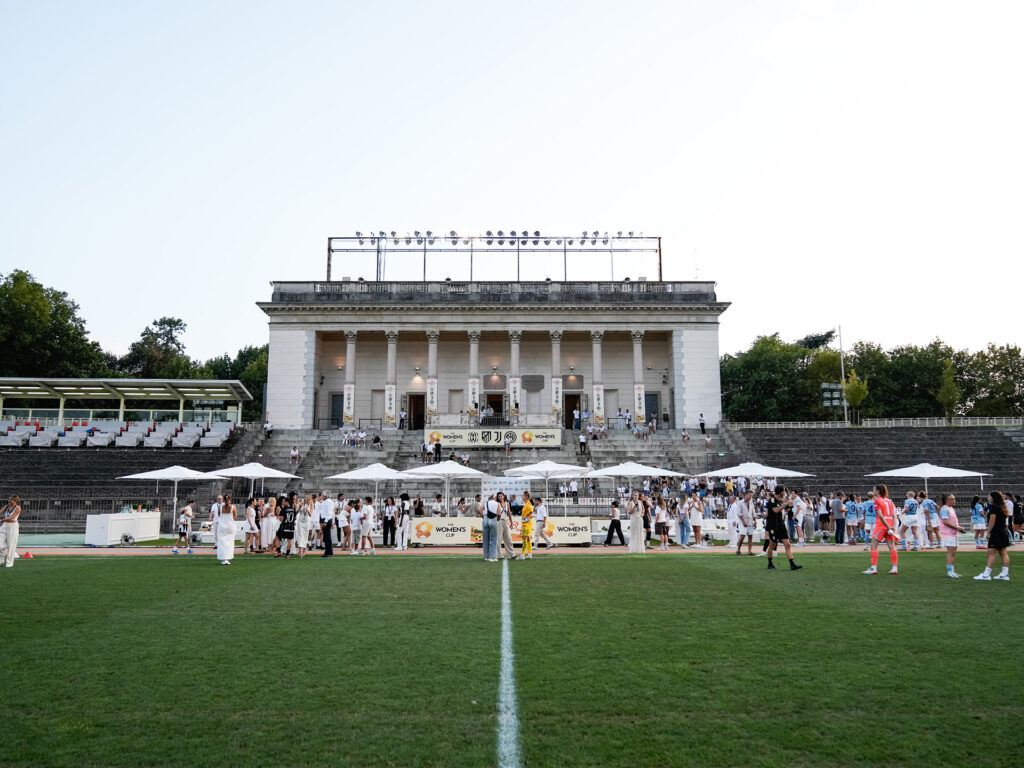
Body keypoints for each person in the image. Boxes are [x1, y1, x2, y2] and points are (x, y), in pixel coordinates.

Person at [863, 484, 899, 575]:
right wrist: (893, 527)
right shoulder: (889, 501)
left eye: (874, 489)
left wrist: (887, 526)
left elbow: (880, 516)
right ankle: (894, 568)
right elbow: (894, 515)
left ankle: (873, 568)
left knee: (873, 546)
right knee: (892, 546)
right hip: (890, 525)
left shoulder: (877, 501)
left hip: (881, 526)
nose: (873, 491)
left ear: (878, 491)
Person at [975, 491, 1012, 581]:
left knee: (991, 553)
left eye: (989, 496)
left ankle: (986, 575)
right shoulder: (1001, 507)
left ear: (993, 498)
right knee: (1003, 552)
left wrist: (988, 532)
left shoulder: (993, 507)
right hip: (1003, 532)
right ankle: (1005, 574)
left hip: (996, 532)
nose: (988, 497)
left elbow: (992, 521)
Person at [764, 487, 802, 571]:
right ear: (781, 492)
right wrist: (786, 504)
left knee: (787, 544)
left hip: (781, 525)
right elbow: (776, 510)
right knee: (772, 545)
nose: (785, 492)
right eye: (784, 491)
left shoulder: (779, 500)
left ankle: (792, 564)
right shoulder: (772, 500)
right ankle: (770, 563)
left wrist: (788, 504)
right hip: (773, 526)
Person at [937, 493, 965, 578]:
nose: (954, 501)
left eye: (954, 499)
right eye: (952, 499)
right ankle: (950, 572)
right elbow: (945, 522)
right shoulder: (945, 509)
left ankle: (952, 571)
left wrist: (957, 528)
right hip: (948, 533)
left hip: (953, 533)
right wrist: (957, 528)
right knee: (951, 552)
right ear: (946, 500)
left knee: (953, 552)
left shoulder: (951, 508)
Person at [0, 495, 22, 568]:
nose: (10, 501)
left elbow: (12, 517)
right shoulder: (7, 506)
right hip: (4, 525)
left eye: (12, 500)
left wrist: (2, 520)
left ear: (16, 501)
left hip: (13, 526)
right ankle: (1, 559)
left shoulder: (18, 508)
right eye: (10, 499)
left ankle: (9, 563)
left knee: (11, 545)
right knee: (0, 544)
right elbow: (0, 512)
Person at [215, 494, 237, 565]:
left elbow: (219, 515)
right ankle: (227, 558)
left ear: (223, 500)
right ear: (230, 500)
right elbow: (235, 517)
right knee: (230, 542)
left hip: (222, 526)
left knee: (222, 542)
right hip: (230, 526)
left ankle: (224, 558)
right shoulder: (233, 507)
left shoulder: (220, 507)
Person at [735, 490, 756, 556]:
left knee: (750, 536)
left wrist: (755, 522)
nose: (750, 497)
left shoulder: (751, 503)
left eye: (751, 496)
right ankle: (738, 550)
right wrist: (743, 522)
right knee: (742, 535)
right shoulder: (740, 502)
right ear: (745, 495)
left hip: (750, 521)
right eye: (750, 495)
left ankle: (749, 551)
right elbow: (739, 513)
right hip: (742, 521)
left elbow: (753, 513)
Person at [481, 493, 499, 561]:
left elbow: (480, 510)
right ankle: (492, 557)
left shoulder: (486, 503)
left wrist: (483, 517)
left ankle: (486, 556)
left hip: (485, 519)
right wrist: (498, 519)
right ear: (494, 498)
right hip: (493, 520)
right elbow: (499, 513)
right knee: (493, 539)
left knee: (485, 539)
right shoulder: (497, 503)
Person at [295, 494, 313, 558]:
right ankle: (300, 550)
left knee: (305, 535)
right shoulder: (300, 504)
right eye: (305, 497)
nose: (305, 498)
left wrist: (308, 510)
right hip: (300, 521)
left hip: (306, 521)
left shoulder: (310, 505)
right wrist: (299, 507)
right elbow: (296, 512)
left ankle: (304, 551)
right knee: (300, 535)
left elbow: (310, 514)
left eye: (307, 497)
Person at [520, 491, 535, 560]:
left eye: (523, 496)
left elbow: (531, 512)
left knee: (524, 538)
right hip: (526, 524)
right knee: (528, 538)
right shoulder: (526, 504)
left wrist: (526, 517)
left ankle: (522, 554)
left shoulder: (528, 504)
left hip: (527, 524)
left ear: (526, 497)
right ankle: (529, 554)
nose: (522, 497)